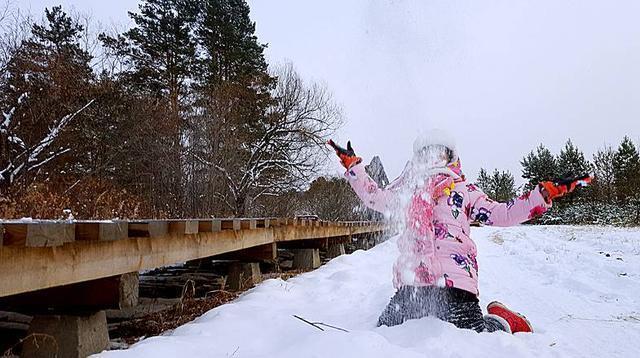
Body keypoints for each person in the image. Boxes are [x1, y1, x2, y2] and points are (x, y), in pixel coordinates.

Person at [329, 130, 589, 334]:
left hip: (455, 284)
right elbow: (376, 198)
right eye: (426, 154)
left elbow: (502, 213)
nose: (432, 159)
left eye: (439, 153)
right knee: (386, 329)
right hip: (414, 283)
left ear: (450, 157)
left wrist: (542, 194)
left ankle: (502, 321)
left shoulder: (463, 191)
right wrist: (354, 167)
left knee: (473, 334)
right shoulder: (407, 192)